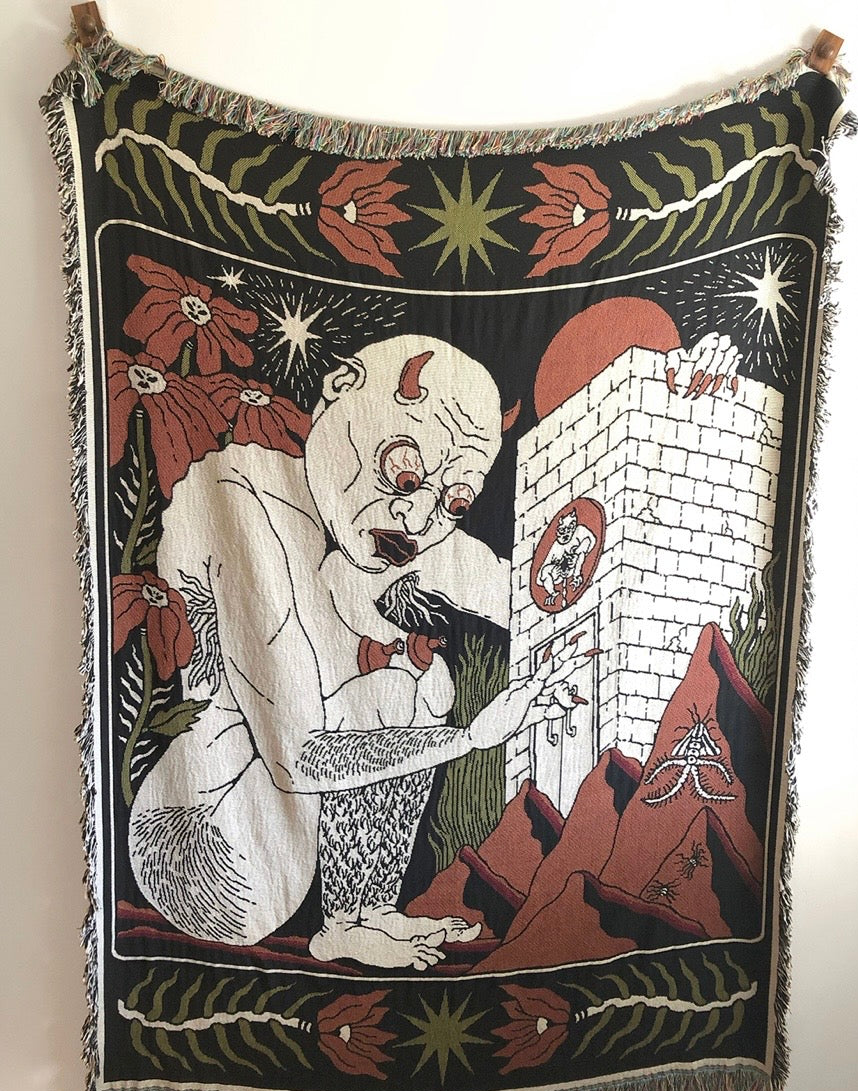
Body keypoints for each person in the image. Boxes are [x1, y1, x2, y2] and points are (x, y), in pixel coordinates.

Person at [128, 334, 592, 970]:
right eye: (404, 472)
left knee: (421, 684)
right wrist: (469, 738)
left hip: (287, 831)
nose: (418, 518)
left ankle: (365, 914)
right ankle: (347, 922)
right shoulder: (246, 503)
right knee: (397, 692)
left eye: (454, 502)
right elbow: (298, 757)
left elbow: (508, 587)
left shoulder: (364, 526)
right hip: (207, 839)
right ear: (341, 388)